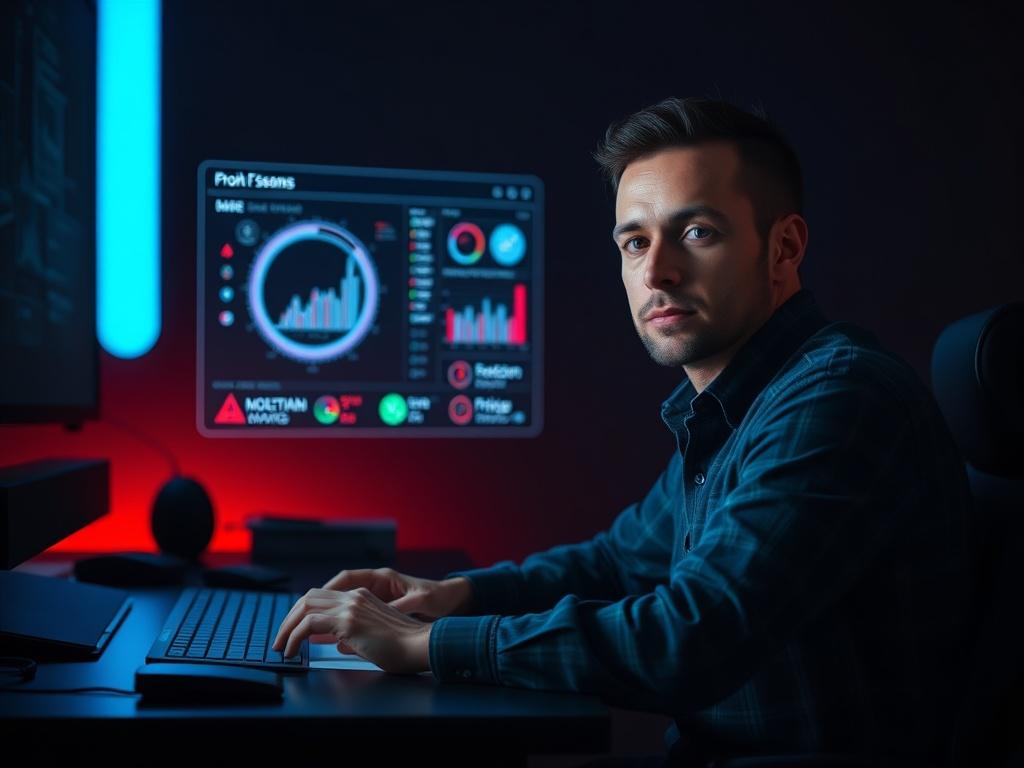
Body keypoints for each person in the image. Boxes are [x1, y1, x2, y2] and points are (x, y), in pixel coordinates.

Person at [272, 96, 975, 766]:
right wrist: (455, 593)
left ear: (784, 248)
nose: (657, 271)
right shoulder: (739, 405)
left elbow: (689, 639)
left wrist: (428, 644)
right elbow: (616, 564)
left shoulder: (837, 397)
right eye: (635, 241)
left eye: (697, 233)